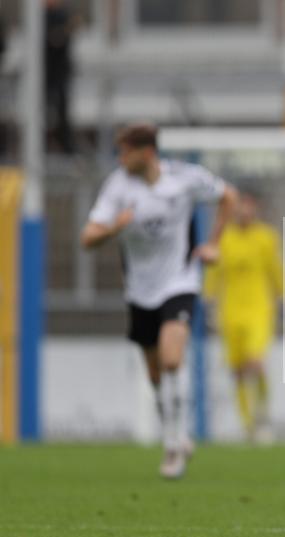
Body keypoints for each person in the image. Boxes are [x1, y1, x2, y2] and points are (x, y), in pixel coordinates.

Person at [80, 123, 238, 479]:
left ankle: (174, 445)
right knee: (154, 372)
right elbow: (87, 238)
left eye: (125, 152)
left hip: (179, 282)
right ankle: (173, 429)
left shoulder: (183, 178)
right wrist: (113, 228)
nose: (120, 159)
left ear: (146, 152)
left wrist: (213, 242)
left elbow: (228, 195)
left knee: (171, 359)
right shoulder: (117, 187)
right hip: (139, 290)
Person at [204, 189, 285, 444]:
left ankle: (262, 415)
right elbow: (214, 273)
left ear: (256, 208)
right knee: (238, 371)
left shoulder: (266, 237)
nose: (244, 211)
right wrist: (207, 298)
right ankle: (248, 426)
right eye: (240, 206)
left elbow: (276, 268)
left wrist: (284, 295)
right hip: (229, 312)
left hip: (259, 309)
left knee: (255, 361)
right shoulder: (223, 238)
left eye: (249, 206)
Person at [44, 0, 79, 154]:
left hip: (59, 73)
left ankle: (66, 147)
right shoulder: (41, 16)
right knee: (43, 112)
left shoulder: (62, 15)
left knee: (61, 111)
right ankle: (45, 146)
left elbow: (63, 37)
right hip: (43, 73)